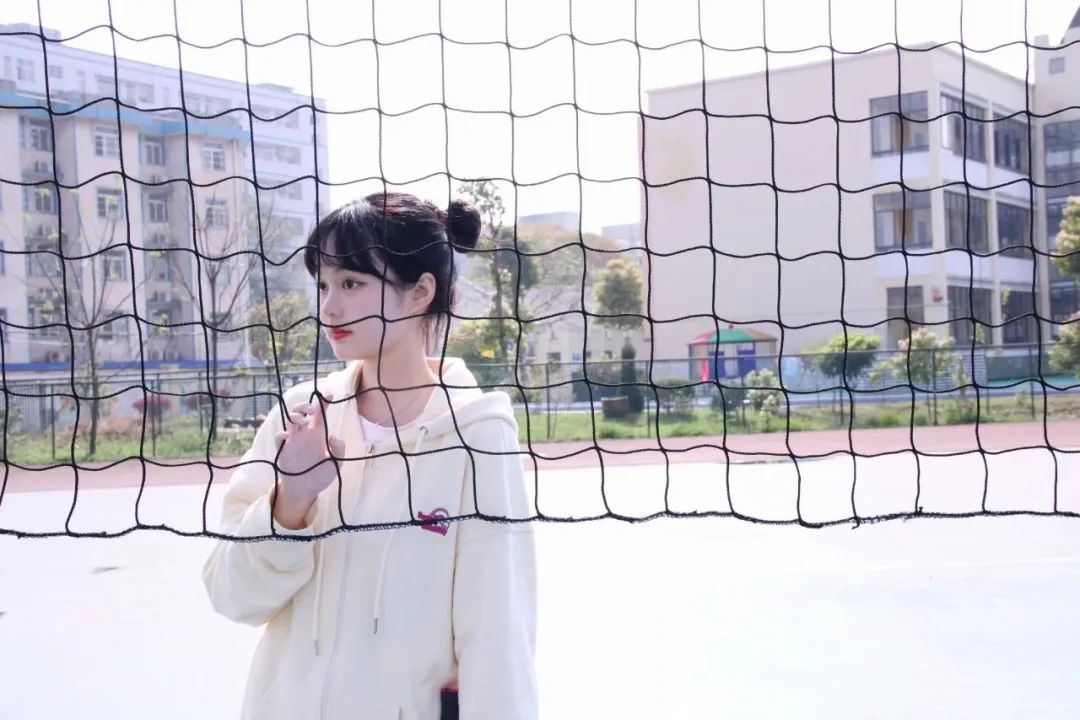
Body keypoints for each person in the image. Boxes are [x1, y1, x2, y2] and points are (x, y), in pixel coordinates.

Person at [202, 192, 538, 719]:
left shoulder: (478, 435)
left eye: (352, 283)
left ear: (420, 292)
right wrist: (291, 500)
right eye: (323, 285)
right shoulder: (301, 416)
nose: (329, 308)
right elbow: (231, 596)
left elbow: (498, 639)